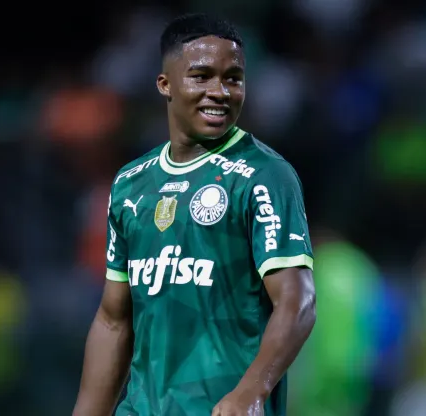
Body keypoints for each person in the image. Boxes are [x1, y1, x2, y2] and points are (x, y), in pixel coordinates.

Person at [73, 13, 316, 416]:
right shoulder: (131, 184)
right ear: (165, 84)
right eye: (201, 77)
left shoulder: (264, 175)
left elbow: (298, 301)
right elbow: (114, 319)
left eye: (233, 78)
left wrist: (251, 393)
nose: (219, 91)